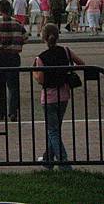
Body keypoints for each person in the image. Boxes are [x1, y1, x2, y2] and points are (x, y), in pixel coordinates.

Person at [32, 23, 84, 170]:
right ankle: (48, 159)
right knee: (55, 128)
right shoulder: (66, 51)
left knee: (52, 130)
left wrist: (34, 73)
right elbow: (81, 63)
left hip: (49, 97)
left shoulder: (40, 58)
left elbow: (40, 79)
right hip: (64, 94)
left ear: (43, 38)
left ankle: (64, 162)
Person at [0, 0, 28, 121]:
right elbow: (25, 37)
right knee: (13, 86)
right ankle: (13, 112)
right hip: (13, 57)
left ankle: (1, 112)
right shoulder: (18, 23)